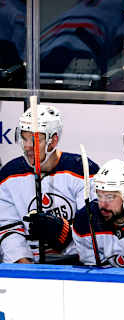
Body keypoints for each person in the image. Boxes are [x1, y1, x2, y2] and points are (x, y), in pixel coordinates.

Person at [0, 104, 99, 263]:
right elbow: (8, 229)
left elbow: (94, 234)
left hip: (75, 266)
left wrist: (63, 233)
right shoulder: (8, 175)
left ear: (53, 141)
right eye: (24, 138)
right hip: (29, 267)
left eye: (34, 140)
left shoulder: (82, 170)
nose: (27, 146)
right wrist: (26, 271)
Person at [27, 159, 124, 268]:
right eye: (99, 195)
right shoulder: (86, 219)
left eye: (110, 197)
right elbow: (93, 270)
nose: (102, 204)